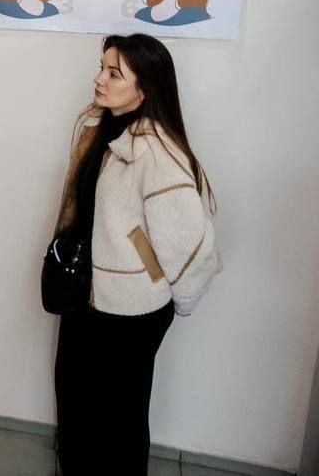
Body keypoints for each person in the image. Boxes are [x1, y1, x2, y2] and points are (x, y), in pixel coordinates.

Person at [51, 34, 220, 474]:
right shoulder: (99, 130)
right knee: (74, 402)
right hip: (86, 295)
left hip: (129, 312)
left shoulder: (157, 154)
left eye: (114, 74)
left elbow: (191, 247)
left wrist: (172, 296)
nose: (99, 79)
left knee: (119, 420)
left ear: (144, 89)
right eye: (101, 68)